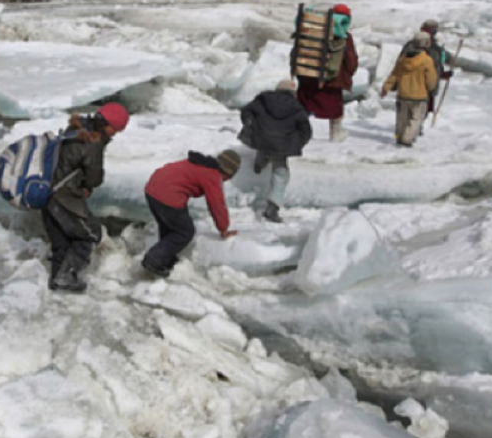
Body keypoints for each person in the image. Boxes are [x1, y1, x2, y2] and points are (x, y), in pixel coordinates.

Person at [42, 102, 129, 292]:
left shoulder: (75, 129)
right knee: (90, 234)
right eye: (116, 130)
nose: (115, 134)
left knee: (61, 240)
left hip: (47, 191)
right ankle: (65, 276)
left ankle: (57, 278)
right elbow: (94, 177)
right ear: (108, 125)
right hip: (65, 196)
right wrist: (86, 186)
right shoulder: (93, 141)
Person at [142, 149, 241, 278]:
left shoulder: (201, 164)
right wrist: (223, 228)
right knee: (185, 232)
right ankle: (154, 260)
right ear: (228, 173)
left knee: (168, 226)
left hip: (152, 189)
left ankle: (166, 258)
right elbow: (216, 204)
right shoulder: (212, 175)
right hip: (167, 195)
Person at [239, 79, 312, 223]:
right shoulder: (297, 107)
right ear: (293, 93)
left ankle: (260, 161)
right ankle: (273, 207)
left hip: (262, 139)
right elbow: (306, 131)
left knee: (266, 145)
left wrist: (250, 125)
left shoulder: (263, 100)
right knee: (280, 173)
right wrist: (295, 143)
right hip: (281, 145)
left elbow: (246, 112)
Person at [292, 3, 358, 142]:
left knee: (304, 105)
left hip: (307, 76)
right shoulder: (344, 37)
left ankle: (301, 133)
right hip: (332, 80)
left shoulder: (312, 31)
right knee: (334, 108)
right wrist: (348, 74)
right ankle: (335, 134)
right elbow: (351, 60)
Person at [381, 32, 438, 146]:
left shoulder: (403, 59)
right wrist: (431, 88)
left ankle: (399, 137)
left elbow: (394, 74)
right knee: (415, 119)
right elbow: (431, 79)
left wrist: (386, 87)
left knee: (402, 119)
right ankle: (407, 138)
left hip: (403, 94)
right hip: (419, 95)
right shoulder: (426, 60)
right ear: (426, 43)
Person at [400, 19, 453, 126]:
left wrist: (444, 74)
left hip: (427, 88)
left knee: (422, 114)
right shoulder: (411, 46)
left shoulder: (437, 50)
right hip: (412, 85)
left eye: (431, 31)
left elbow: (437, 68)